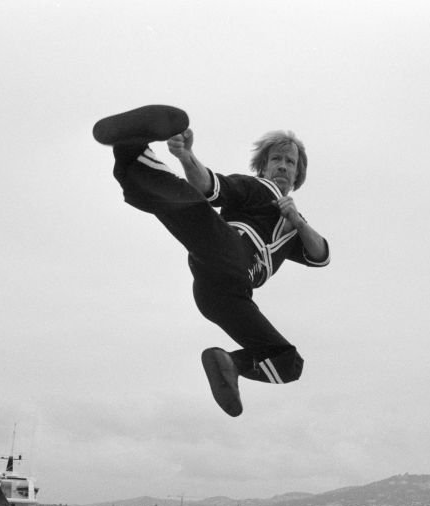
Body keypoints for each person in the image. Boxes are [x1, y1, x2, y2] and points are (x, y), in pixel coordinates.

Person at [93, 105, 330, 417]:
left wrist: (298, 222)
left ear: (299, 173)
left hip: (225, 296)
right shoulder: (257, 188)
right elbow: (209, 186)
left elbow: (320, 255)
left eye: (290, 162)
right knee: (190, 206)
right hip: (229, 253)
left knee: (288, 361)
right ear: (264, 166)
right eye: (276, 159)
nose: (283, 166)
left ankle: (230, 365)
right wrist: (187, 156)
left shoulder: (296, 224)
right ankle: (132, 150)